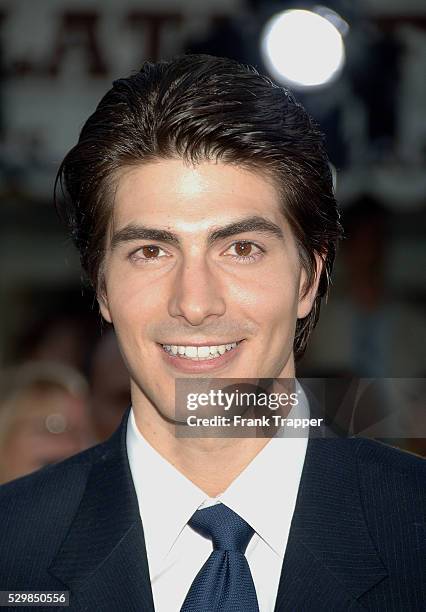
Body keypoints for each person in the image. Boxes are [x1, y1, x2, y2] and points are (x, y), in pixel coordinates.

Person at [0, 54, 424, 611]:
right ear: (101, 286)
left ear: (308, 278)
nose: (195, 303)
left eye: (241, 249)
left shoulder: (413, 527)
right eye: (151, 251)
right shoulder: (13, 549)